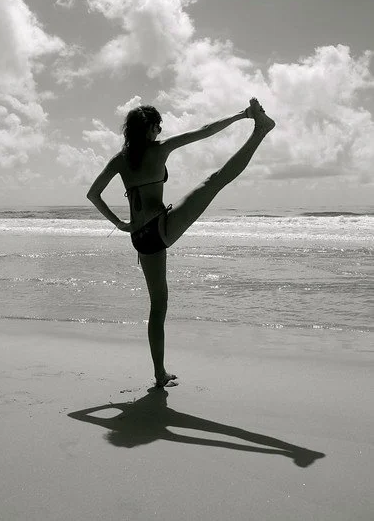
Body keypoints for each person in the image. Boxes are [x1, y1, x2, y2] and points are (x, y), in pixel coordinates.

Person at [87, 98, 275, 388]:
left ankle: (159, 374)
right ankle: (260, 132)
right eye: (157, 126)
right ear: (147, 128)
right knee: (214, 180)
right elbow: (205, 130)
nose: (160, 130)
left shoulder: (120, 159)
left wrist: (120, 224)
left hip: (140, 238)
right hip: (159, 228)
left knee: (157, 307)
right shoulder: (160, 149)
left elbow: (93, 194)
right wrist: (242, 115)